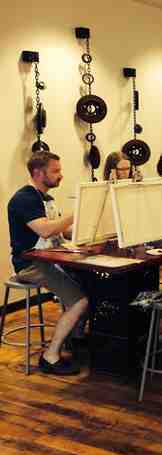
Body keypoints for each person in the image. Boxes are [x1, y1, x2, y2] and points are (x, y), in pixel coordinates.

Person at [7, 152, 89, 375]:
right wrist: (76, 213)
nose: (60, 175)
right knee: (79, 301)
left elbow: (61, 230)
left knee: (88, 281)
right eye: (55, 171)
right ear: (38, 173)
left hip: (47, 259)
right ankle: (50, 356)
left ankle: (76, 338)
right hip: (30, 265)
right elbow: (45, 230)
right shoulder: (24, 199)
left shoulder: (45, 199)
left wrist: (88, 230)